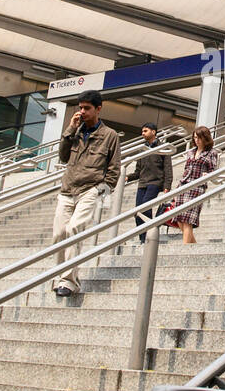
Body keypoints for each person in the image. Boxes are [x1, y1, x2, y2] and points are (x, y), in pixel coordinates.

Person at [52, 90, 121, 297]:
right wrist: (70, 129)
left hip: (89, 189)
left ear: (98, 109)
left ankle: (68, 281)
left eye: (87, 108)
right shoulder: (75, 131)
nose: (82, 112)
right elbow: (63, 157)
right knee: (58, 234)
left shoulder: (110, 135)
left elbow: (114, 167)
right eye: (80, 107)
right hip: (67, 188)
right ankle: (58, 276)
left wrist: (101, 190)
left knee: (74, 228)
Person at [170, 126, 219, 245]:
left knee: (187, 220)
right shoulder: (190, 152)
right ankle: (194, 246)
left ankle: (184, 249)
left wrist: (207, 175)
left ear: (205, 138)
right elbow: (186, 170)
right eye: (195, 137)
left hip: (197, 187)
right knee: (180, 220)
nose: (196, 140)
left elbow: (214, 170)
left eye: (199, 138)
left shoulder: (211, 153)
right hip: (184, 186)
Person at [127, 122, 172, 244]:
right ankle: (142, 238)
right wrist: (127, 177)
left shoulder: (163, 148)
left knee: (145, 209)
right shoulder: (142, 149)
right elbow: (138, 171)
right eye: (142, 131)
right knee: (137, 212)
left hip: (155, 182)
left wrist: (167, 185)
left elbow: (167, 168)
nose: (143, 133)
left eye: (145, 131)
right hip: (142, 183)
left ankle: (149, 235)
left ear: (153, 132)